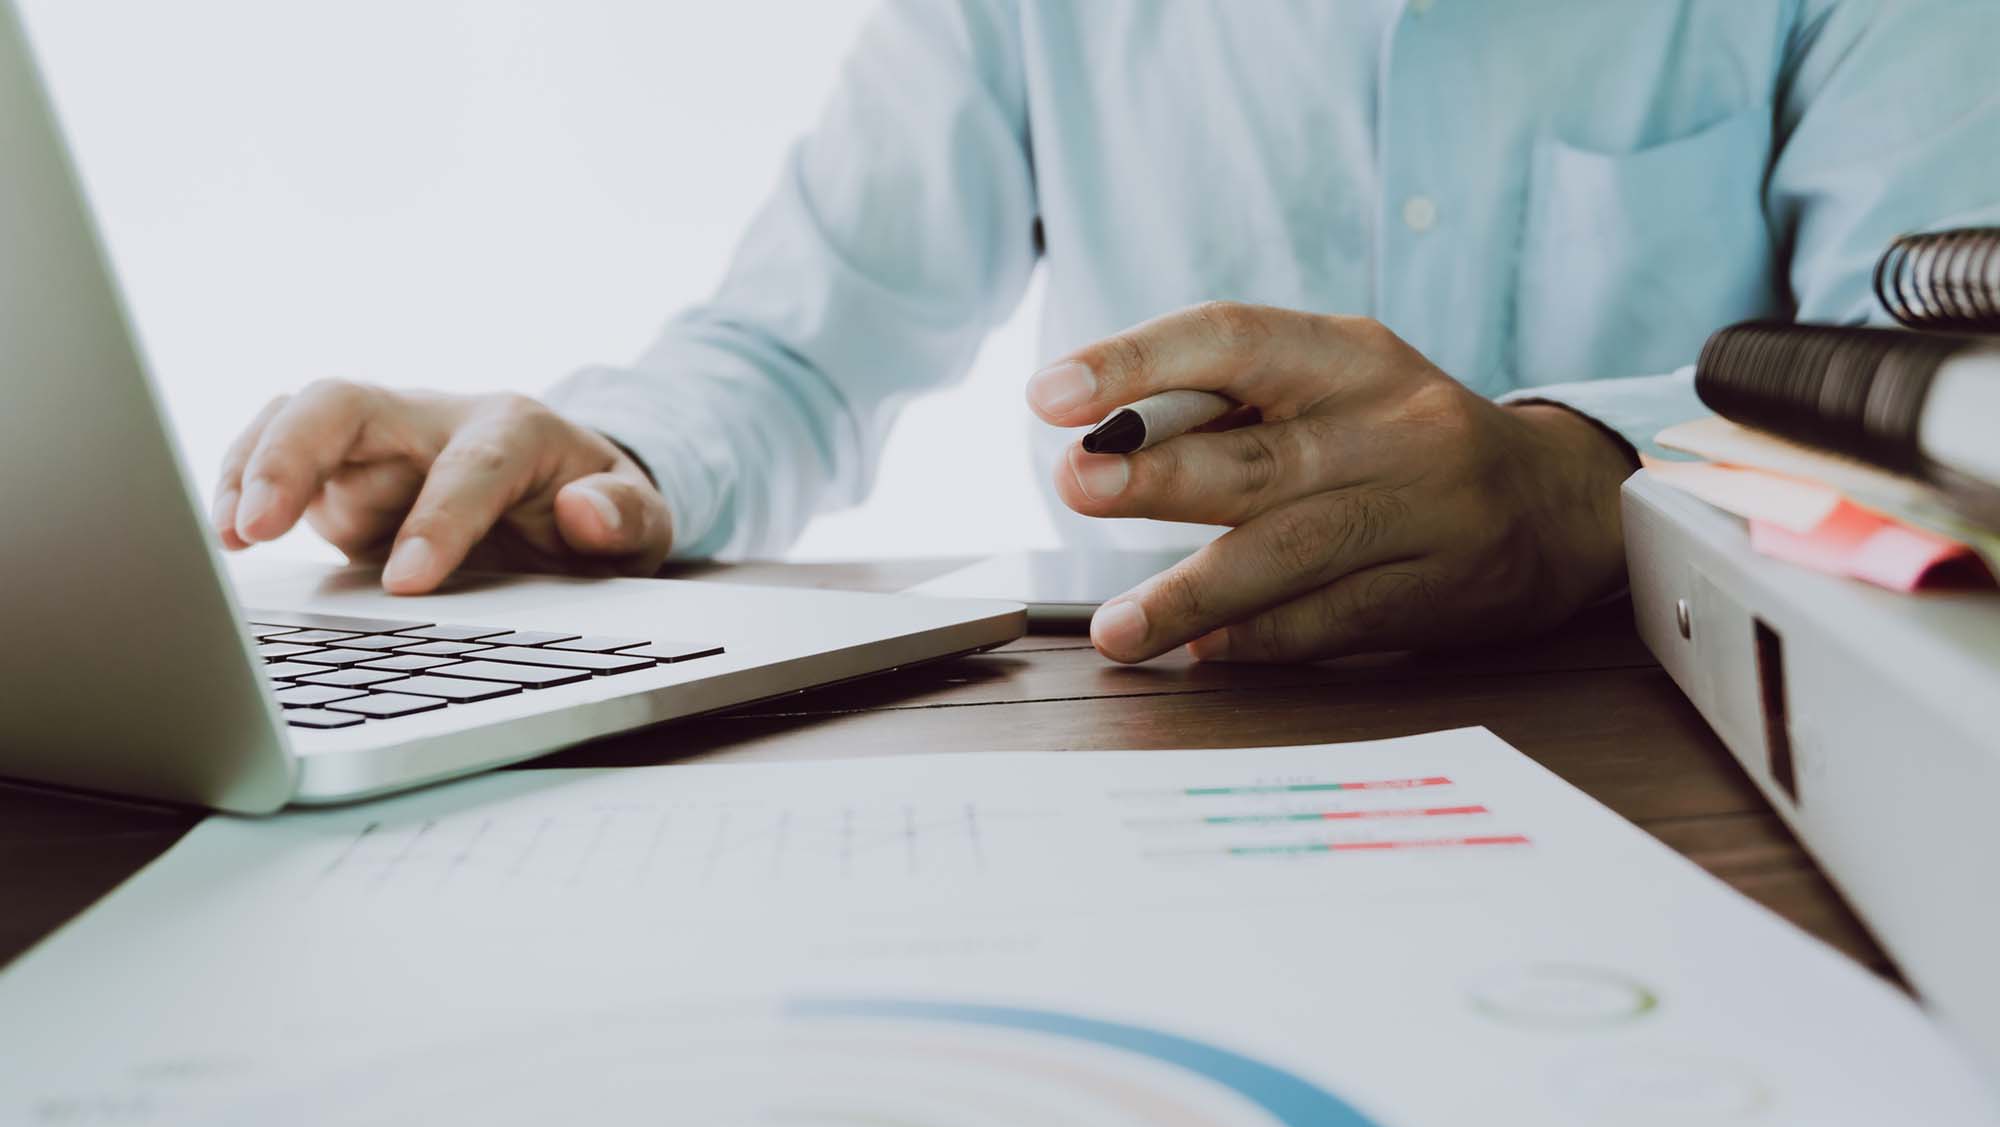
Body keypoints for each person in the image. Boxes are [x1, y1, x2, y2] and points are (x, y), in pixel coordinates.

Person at [208, 1, 1999, 664]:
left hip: (1681, 734)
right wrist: (615, 461)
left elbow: (1936, 415)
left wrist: (1574, 473)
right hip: (1148, 723)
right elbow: (792, 349)